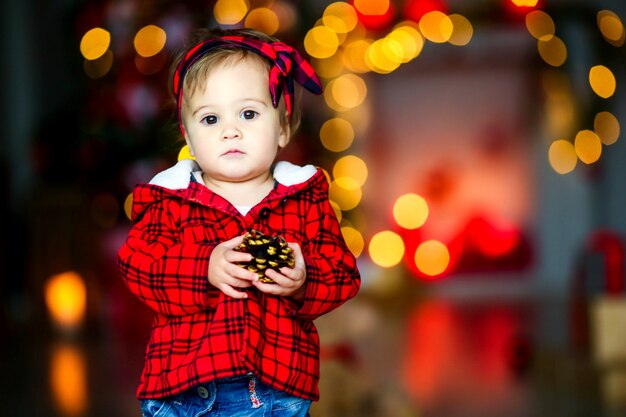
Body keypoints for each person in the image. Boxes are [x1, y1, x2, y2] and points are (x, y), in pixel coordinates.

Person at [117, 27, 361, 417]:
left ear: (282, 126)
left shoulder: (303, 198)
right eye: (211, 119)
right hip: (185, 389)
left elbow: (344, 273)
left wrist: (303, 281)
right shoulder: (171, 199)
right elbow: (137, 267)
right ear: (190, 138)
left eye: (248, 113)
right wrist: (204, 267)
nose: (230, 130)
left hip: (278, 390)